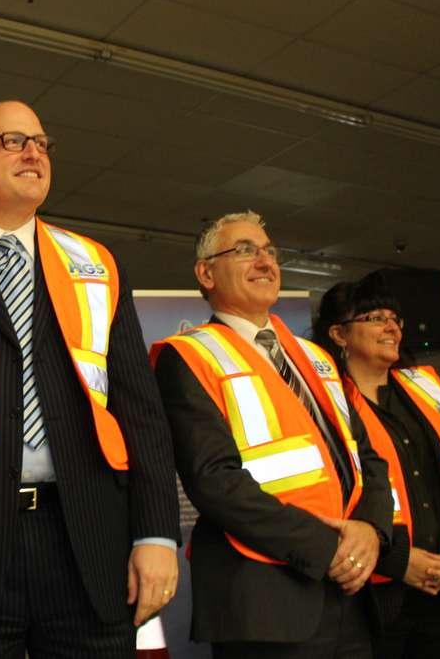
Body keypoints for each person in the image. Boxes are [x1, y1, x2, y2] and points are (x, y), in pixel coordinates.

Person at [0, 100, 180, 658]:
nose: (33, 153)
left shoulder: (94, 262)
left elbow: (141, 413)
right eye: (13, 141)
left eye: (42, 143)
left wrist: (156, 533)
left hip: (89, 542)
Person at [150, 211, 393, 659]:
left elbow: (369, 458)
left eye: (269, 251)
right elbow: (215, 483)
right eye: (244, 250)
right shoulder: (188, 356)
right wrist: (329, 550)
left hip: (353, 600)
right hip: (267, 600)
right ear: (206, 273)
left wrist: (371, 531)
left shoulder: (316, 357)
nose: (264, 261)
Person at [312, 277, 440, 658]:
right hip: (372, 596)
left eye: (395, 318)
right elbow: (327, 501)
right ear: (338, 334)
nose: (391, 326)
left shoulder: (426, 392)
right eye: (375, 317)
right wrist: (399, 561)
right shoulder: (326, 406)